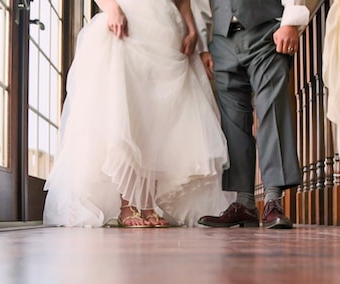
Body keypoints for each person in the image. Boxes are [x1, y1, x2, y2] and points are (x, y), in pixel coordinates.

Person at [43, 0, 231, 228]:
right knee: (130, 112)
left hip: (167, 31)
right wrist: (112, 9)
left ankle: (148, 205)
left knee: (157, 120)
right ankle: (127, 205)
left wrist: (192, 30)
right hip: (129, 24)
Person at [196, 0, 310, 229]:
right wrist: (203, 46)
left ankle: (273, 200)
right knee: (232, 123)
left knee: (271, 111)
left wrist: (291, 21)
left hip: (267, 31)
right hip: (222, 40)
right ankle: (244, 204)